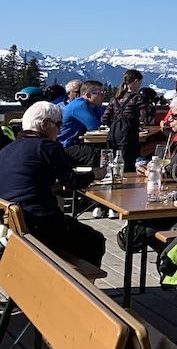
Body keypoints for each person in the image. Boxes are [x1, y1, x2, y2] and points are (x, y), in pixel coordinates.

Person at [0, 102, 105, 265]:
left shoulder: (7, 149)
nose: (60, 130)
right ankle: (75, 280)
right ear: (45, 124)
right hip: (39, 223)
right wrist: (95, 174)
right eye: (59, 125)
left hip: (13, 222)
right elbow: (72, 181)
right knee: (95, 241)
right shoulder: (47, 146)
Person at [106, 69, 149, 173]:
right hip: (128, 132)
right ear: (136, 81)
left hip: (113, 132)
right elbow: (143, 117)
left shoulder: (114, 99)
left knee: (112, 159)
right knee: (127, 162)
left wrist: (114, 125)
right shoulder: (137, 98)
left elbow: (104, 118)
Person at [58, 80, 107, 166]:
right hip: (64, 146)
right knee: (100, 155)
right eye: (100, 93)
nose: (103, 96)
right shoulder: (79, 105)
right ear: (88, 95)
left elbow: (105, 120)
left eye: (104, 93)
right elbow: (94, 126)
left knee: (106, 149)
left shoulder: (94, 106)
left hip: (75, 142)